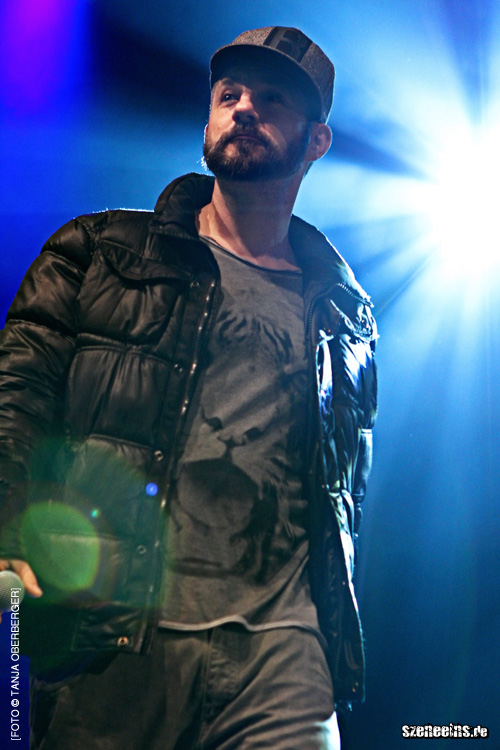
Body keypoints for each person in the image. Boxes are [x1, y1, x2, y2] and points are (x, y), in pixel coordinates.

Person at [0, 26, 377, 750]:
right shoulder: (96, 252)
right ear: (208, 117)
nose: (244, 109)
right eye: (229, 95)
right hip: (116, 639)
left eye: (272, 99)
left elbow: (340, 497)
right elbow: (16, 392)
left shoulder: (345, 316)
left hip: (282, 657)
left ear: (317, 142)